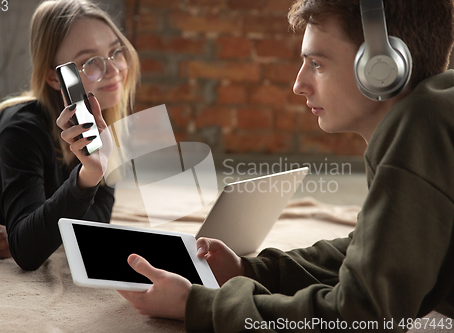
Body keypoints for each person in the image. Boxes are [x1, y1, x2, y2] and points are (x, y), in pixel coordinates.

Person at [119, 0, 454, 331]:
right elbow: (375, 251)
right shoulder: (438, 109)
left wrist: (197, 305)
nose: (299, 84)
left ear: (382, 68)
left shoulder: (420, 125)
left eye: (318, 64)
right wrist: (252, 272)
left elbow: (360, 317)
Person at [0, 0, 140, 271]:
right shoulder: (21, 130)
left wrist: (39, 228)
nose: (114, 70)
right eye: (90, 62)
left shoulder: (104, 124)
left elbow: (98, 220)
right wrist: (35, 229)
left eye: (116, 52)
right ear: (55, 78)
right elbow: (28, 252)